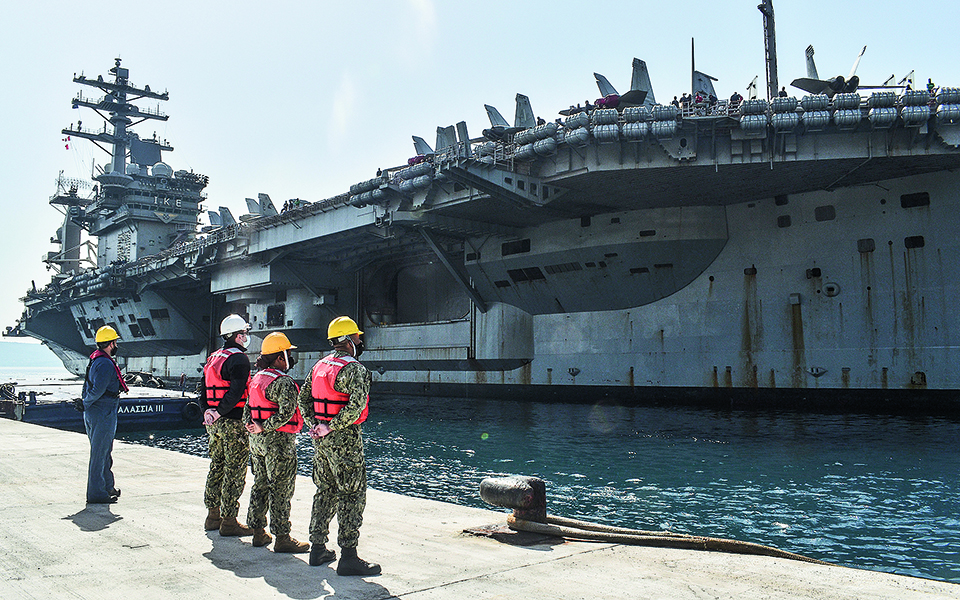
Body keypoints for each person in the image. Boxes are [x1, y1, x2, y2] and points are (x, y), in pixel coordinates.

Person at [299, 316, 380, 576]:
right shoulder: (355, 369)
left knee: (324, 491)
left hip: (321, 440)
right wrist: (331, 426)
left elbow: (303, 400)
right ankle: (348, 557)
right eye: (356, 336)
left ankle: (317, 548)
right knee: (351, 495)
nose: (360, 340)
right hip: (344, 440)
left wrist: (317, 425)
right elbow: (355, 407)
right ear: (347, 340)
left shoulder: (319, 366)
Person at [244, 332, 309, 553]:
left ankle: (258, 532)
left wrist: (253, 427)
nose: (291, 357)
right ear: (280, 357)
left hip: (257, 442)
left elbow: (247, 409)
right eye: (288, 353)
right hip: (279, 443)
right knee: (281, 488)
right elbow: (287, 413)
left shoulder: (256, 379)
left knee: (260, 485)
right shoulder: (284, 383)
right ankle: (282, 537)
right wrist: (265, 426)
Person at [202, 314, 254, 537]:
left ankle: (213, 516)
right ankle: (230, 521)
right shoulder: (240, 359)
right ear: (237, 335)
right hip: (233, 421)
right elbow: (236, 392)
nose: (246, 337)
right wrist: (221, 411)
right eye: (244, 333)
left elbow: (202, 388)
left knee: (217, 465)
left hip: (213, 423)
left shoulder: (214, 357)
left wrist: (209, 411)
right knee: (235, 469)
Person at [82, 325, 127, 504]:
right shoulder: (105, 363)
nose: (116, 345)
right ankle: (96, 494)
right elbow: (97, 390)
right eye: (115, 342)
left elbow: (88, 386)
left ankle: (107, 486)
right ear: (110, 343)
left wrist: (84, 402)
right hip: (103, 410)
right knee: (100, 453)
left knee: (104, 451)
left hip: (99, 410)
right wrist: (85, 402)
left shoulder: (96, 359)